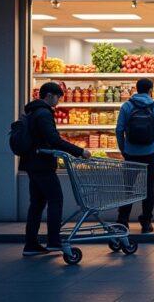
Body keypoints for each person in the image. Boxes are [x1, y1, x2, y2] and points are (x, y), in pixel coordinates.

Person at [20, 82, 91, 256]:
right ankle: (53, 241)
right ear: (49, 95)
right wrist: (79, 151)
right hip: (42, 164)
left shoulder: (32, 111)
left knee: (36, 203)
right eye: (58, 96)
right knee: (55, 200)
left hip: (32, 163)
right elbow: (54, 139)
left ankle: (31, 244)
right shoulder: (43, 113)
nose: (59, 100)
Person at [115, 78, 154, 234]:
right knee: (149, 188)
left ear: (136, 89)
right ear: (151, 90)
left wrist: (123, 149)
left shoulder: (127, 106)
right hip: (151, 153)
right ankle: (146, 222)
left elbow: (119, 129)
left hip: (131, 153)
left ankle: (123, 220)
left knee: (128, 188)